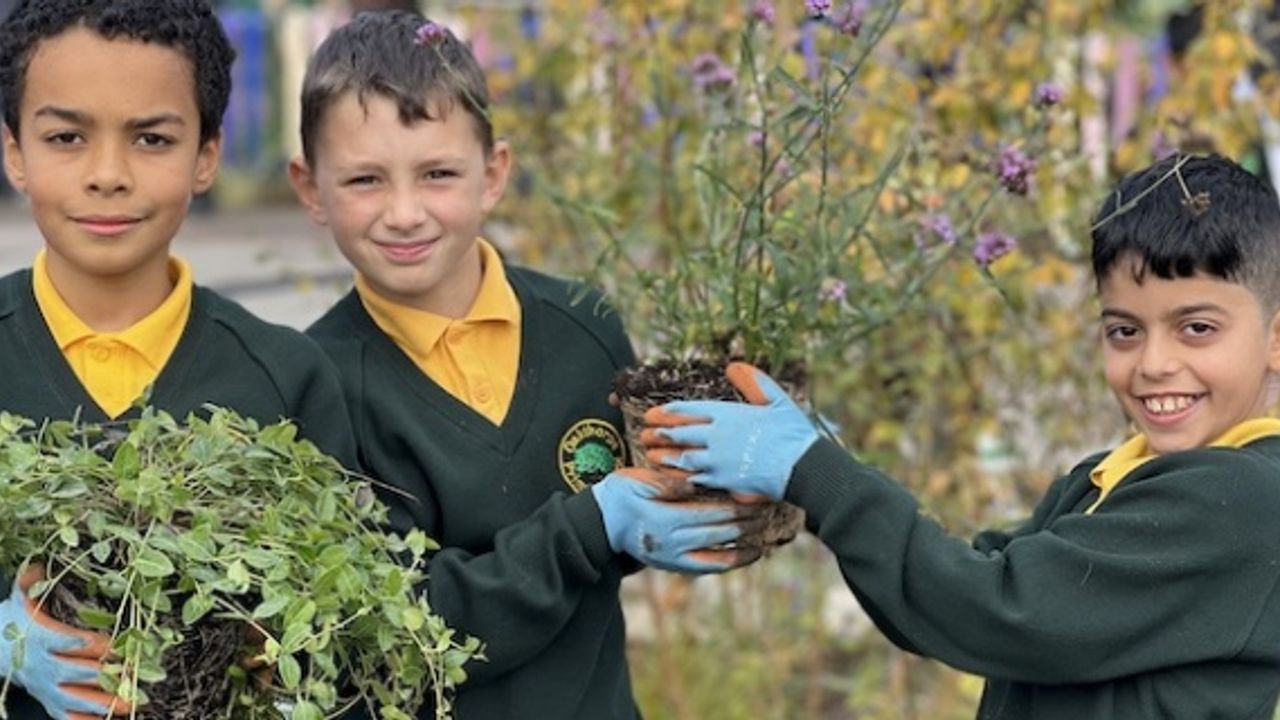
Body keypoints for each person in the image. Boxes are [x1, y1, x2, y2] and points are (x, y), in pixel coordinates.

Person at [643, 153, 1280, 720]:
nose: (1153, 364)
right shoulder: (1110, 474)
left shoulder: (1244, 498)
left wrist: (814, 472)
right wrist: (818, 477)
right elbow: (957, 589)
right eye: (1124, 331)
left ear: (1275, 339)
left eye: (1197, 328)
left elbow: (996, 609)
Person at [289, 11, 763, 720]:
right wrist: (588, 528)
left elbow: (627, 515)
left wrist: (736, 481)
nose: (406, 212)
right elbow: (396, 629)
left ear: (494, 174)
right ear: (309, 189)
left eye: (438, 173)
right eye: (365, 180)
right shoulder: (312, 385)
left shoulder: (583, 325)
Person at [0, 1, 358, 718]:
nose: (108, 174)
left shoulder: (285, 377)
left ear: (206, 156)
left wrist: (282, 656)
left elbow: (344, 634)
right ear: (14, 152)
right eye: (66, 136)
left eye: (152, 139)